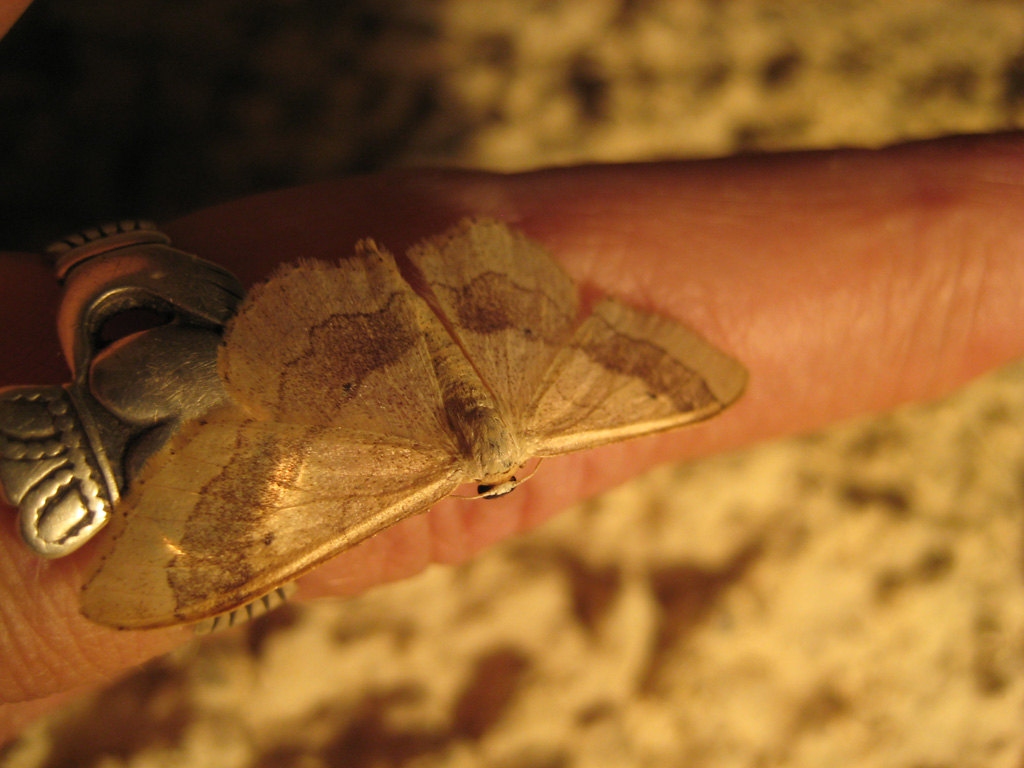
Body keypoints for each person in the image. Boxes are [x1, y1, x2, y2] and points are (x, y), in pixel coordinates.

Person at [1, 1, 1023, 744]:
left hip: (366, 348)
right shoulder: (463, 463)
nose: (499, 485)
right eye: (498, 483)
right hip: (356, 354)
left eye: (500, 480)